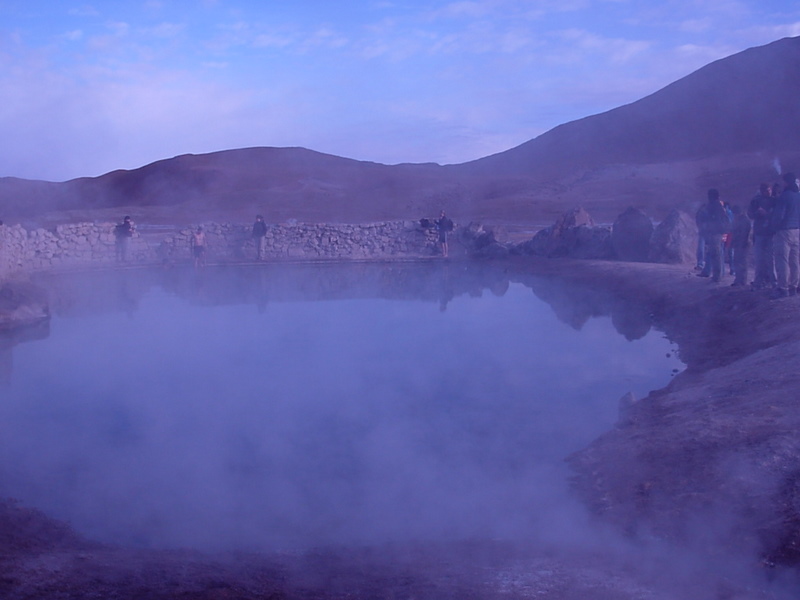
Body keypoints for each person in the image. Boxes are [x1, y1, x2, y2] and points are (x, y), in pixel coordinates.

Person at [769, 172, 800, 298]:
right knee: (795, 260)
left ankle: (783, 288)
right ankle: (794, 286)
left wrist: (773, 227)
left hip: (784, 231)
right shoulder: (798, 196)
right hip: (797, 231)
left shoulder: (784, 197)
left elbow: (779, 216)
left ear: (786, 182)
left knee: (782, 260)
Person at [747, 183, 776, 290]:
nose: (767, 192)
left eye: (769, 190)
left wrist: (766, 214)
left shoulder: (775, 201)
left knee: (771, 259)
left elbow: (778, 215)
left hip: (771, 233)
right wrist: (757, 213)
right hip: (759, 233)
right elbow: (750, 214)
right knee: (759, 259)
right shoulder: (756, 201)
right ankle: (759, 281)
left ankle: (773, 282)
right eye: (765, 190)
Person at [697, 189, 729, 282]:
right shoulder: (719, 206)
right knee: (718, 254)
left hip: (715, 233)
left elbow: (715, 220)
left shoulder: (715, 206)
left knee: (716, 255)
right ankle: (719, 274)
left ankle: (717, 276)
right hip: (717, 232)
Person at [729, 205, 751, 287]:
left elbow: (745, 234)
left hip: (743, 244)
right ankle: (738, 279)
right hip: (738, 244)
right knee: (737, 262)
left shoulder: (745, 221)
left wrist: (742, 243)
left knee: (743, 262)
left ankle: (743, 280)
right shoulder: (737, 220)